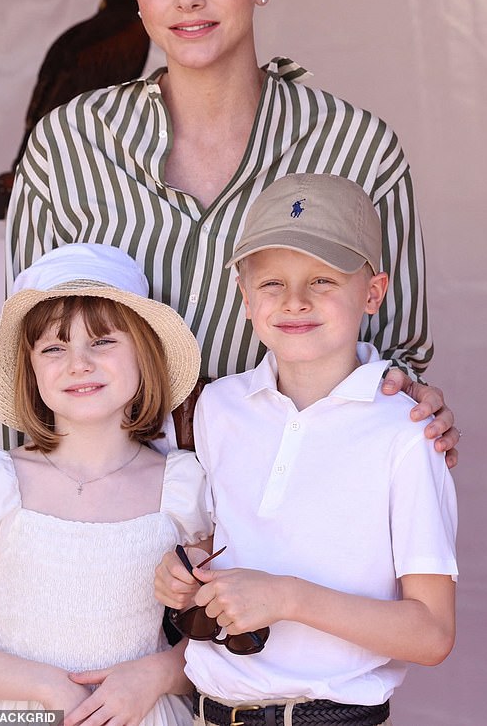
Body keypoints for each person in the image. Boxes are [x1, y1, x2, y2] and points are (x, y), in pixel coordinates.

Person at [4, 0, 459, 453]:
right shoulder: (67, 146)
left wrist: (415, 402)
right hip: (112, 512)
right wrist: (10, 516)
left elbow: (397, 357)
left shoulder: (358, 148)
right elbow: (25, 369)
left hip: (293, 497)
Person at [155, 172, 458, 726]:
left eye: (322, 280)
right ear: (245, 298)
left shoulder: (410, 432)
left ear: (373, 293)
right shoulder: (217, 408)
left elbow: (432, 634)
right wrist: (182, 571)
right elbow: (213, 538)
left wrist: (289, 599)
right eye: (271, 284)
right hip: (205, 712)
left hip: (331, 716)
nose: (294, 301)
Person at [0, 243, 211, 723]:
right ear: (31, 371)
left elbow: (212, 635)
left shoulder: (182, 488)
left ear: (144, 354)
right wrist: (49, 686)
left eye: (102, 342)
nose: (79, 363)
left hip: (137, 712)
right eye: (54, 347)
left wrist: (156, 674)